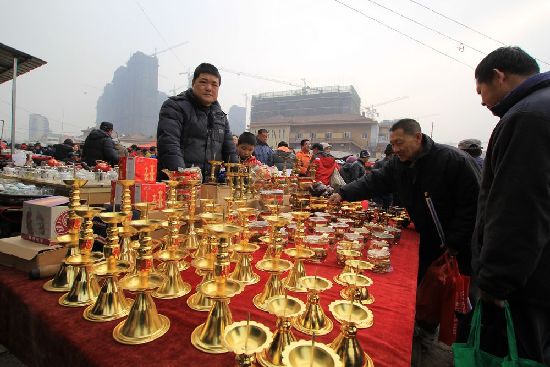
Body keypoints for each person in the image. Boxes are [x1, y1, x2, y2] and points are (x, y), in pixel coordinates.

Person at [471, 46, 550, 364]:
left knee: (518, 352)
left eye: (481, 90)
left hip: (528, 279)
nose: (482, 101)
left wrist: (496, 281)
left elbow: (519, 207)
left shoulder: (528, 117)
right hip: (536, 268)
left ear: (498, 76)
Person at [329, 119, 480, 284]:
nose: (395, 149)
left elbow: (472, 206)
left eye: (399, 143)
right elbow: (375, 180)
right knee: (425, 283)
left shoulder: (453, 160)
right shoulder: (398, 163)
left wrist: (455, 241)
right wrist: (344, 193)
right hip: (425, 235)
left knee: (456, 290)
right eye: (392, 144)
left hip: (455, 243)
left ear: (417, 137)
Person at [156, 63, 237, 181]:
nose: (209, 88)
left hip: (209, 187)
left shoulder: (221, 116)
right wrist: (183, 179)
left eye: (214, 84)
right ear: (193, 82)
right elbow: (169, 146)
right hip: (177, 186)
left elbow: (230, 152)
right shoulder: (174, 106)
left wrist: (239, 181)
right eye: (203, 82)